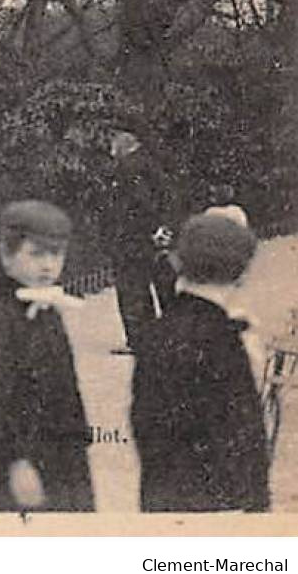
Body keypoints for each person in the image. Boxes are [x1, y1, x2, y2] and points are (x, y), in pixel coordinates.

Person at [130, 212, 269, 513]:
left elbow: (147, 425)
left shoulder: (159, 329)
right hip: (221, 504)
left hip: (165, 497)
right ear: (241, 270)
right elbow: (240, 428)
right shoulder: (223, 335)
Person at [0, 200, 94, 513]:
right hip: (22, 458)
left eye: (57, 254)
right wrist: (18, 461)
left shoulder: (45, 306)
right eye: (36, 254)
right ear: (6, 256)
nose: (48, 266)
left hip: (64, 452)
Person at [100, 126, 177, 354]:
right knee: (164, 287)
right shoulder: (150, 165)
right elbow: (166, 198)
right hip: (154, 238)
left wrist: (148, 228)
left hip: (133, 240)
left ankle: (143, 341)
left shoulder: (128, 169)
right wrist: (161, 228)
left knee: (133, 291)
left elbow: (138, 203)